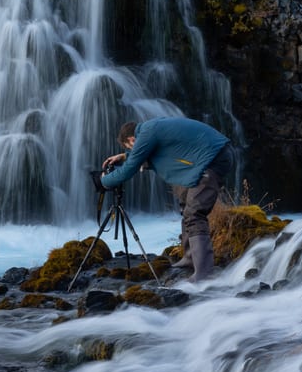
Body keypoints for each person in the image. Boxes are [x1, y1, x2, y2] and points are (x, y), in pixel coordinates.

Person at [99, 117, 234, 281]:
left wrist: (104, 181)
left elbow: (130, 169)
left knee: (195, 213)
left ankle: (204, 274)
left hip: (213, 158)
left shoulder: (147, 132)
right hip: (205, 158)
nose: (134, 151)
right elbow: (150, 154)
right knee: (186, 205)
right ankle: (190, 258)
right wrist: (125, 156)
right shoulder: (152, 129)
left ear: (132, 139)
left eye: (131, 148)